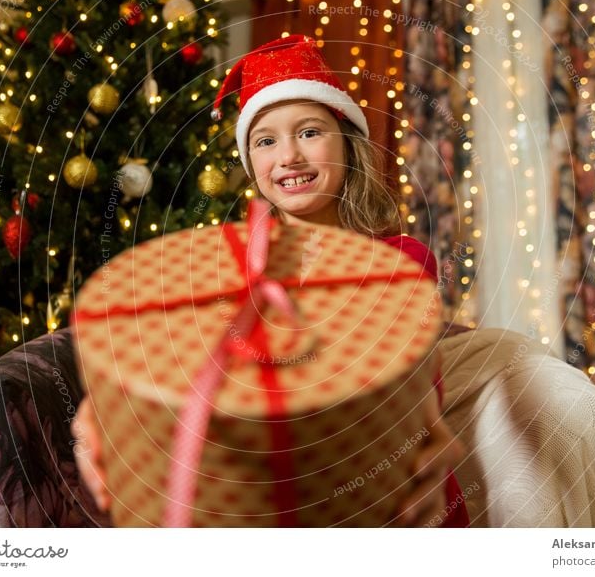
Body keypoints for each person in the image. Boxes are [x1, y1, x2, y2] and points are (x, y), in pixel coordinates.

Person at [74, 34, 469, 527]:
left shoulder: (401, 262)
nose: (289, 157)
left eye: (309, 132)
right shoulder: (227, 273)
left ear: (348, 146)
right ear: (252, 166)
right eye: (266, 140)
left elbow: (385, 390)